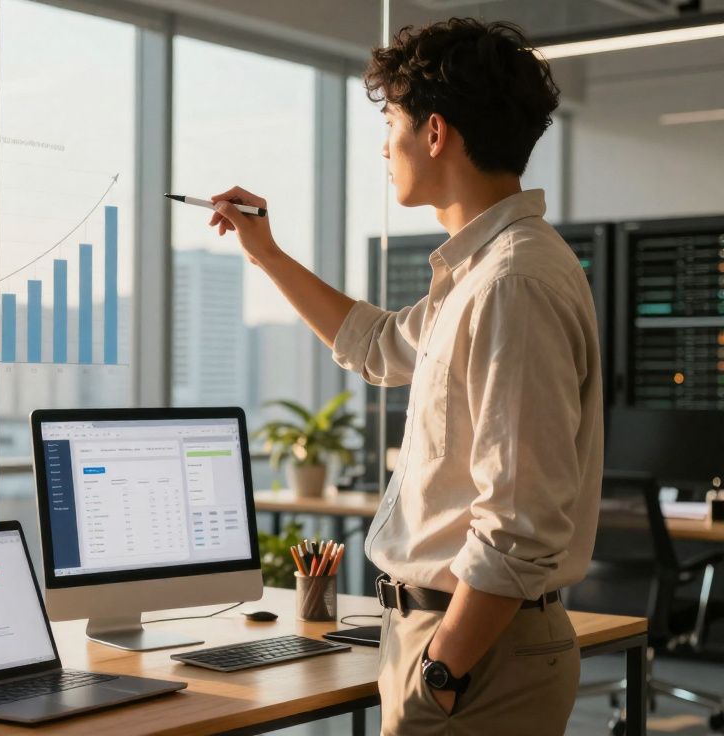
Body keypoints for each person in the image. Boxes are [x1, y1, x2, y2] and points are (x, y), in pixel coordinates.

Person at [209, 18, 602, 736]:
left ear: (434, 133)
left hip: (475, 656)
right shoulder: (482, 272)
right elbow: (380, 346)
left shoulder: (511, 284)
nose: (384, 147)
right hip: (453, 645)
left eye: (390, 121)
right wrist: (266, 252)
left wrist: (444, 671)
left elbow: (518, 526)